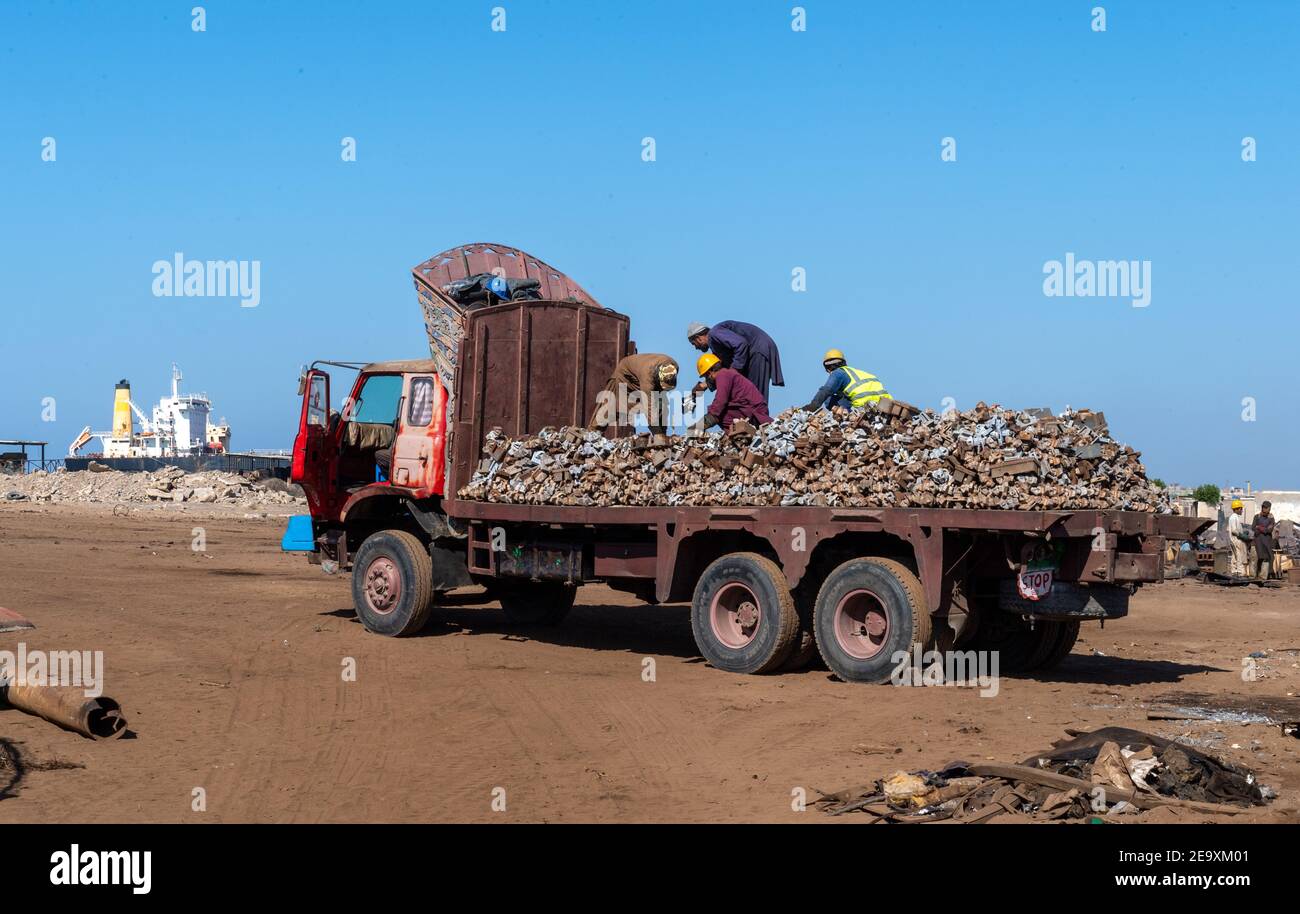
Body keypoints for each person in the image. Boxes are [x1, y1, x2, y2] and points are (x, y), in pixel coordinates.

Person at [686, 320, 784, 402]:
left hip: (758, 350)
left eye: (693, 344)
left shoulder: (714, 334)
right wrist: (704, 385)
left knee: (755, 395)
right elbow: (722, 368)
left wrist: (733, 372)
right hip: (757, 351)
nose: (696, 348)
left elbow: (741, 344)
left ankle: (761, 422)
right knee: (751, 394)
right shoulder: (716, 344)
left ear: (698, 338)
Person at [589, 353, 679, 437]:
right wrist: (656, 433)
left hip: (645, 377)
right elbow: (649, 406)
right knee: (619, 406)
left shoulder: (673, 366)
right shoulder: (647, 377)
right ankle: (594, 433)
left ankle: (662, 433)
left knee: (660, 404)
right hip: (626, 376)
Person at [694, 353, 770, 431]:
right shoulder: (727, 374)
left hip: (754, 412)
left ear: (709, 373)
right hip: (751, 410)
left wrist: (700, 425)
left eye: (706, 376)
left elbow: (720, 401)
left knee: (717, 412)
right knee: (715, 411)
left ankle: (739, 434)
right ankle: (739, 433)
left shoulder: (722, 375)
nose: (707, 379)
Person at [802, 349, 891, 411]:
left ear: (828, 369)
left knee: (828, 398)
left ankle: (845, 416)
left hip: (863, 407)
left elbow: (826, 390)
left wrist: (811, 407)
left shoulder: (838, 373)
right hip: (887, 405)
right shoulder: (861, 373)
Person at [1251, 500, 1277, 580]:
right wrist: (1263, 529)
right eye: (1265, 508)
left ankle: (1263, 577)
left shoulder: (1271, 518)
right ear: (1262, 508)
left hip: (1266, 543)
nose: (1266, 510)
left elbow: (1269, 530)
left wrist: (1259, 527)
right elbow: (1253, 528)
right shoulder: (1256, 517)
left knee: (1266, 559)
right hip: (1256, 542)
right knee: (1254, 559)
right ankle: (1252, 576)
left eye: (1268, 508)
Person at [1227, 499, 1249, 576]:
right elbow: (1234, 530)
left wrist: (1243, 533)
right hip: (1236, 540)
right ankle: (1239, 572)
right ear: (1237, 508)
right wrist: (1242, 535)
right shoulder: (1234, 517)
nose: (1242, 510)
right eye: (1241, 509)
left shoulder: (1234, 517)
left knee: (1235, 556)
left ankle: (1234, 571)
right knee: (1239, 555)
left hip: (1234, 539)